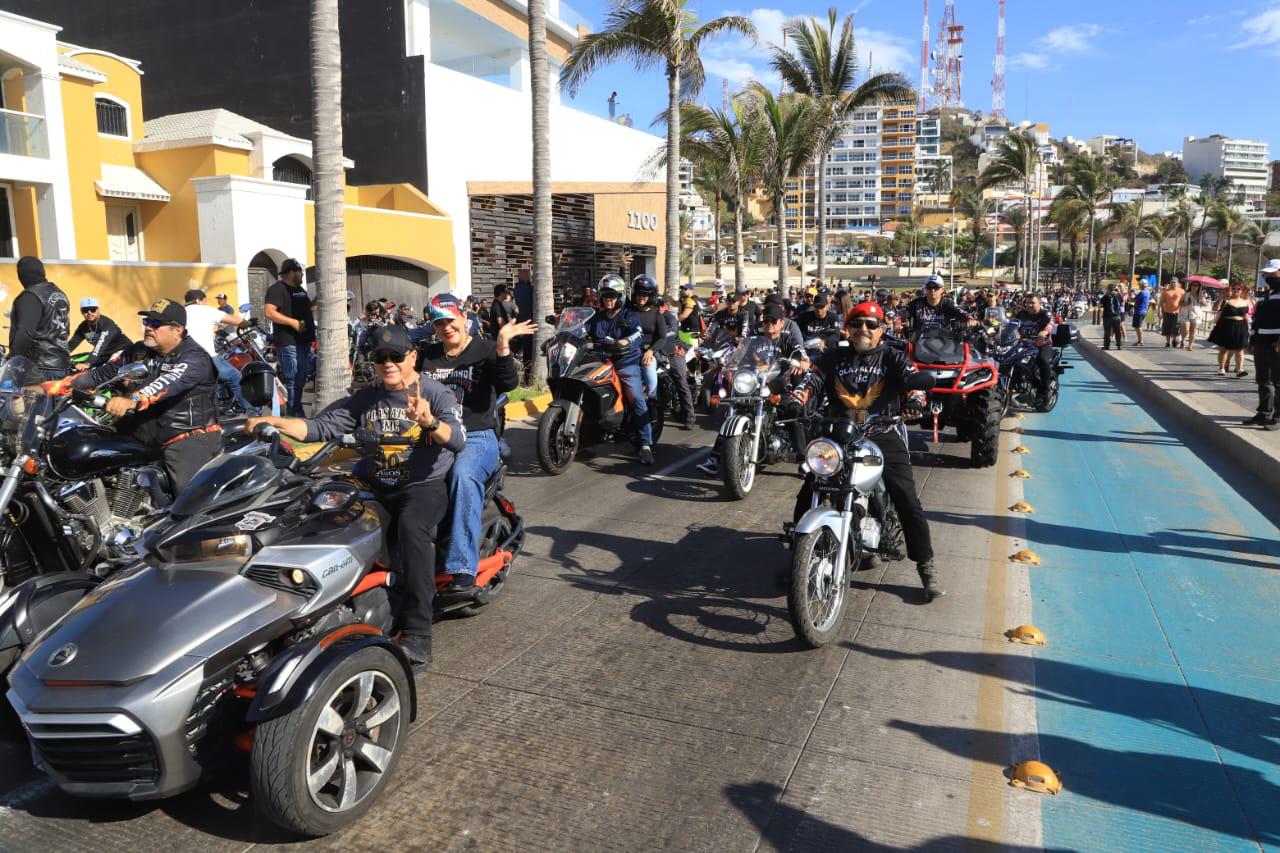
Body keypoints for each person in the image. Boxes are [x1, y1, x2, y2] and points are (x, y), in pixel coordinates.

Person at [249, 323, 463, 666]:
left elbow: (458, 439)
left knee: (411, 529)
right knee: (327, 518)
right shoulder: (366, 397)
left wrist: (430, 423)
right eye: (381, 357)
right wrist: (273, 422)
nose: (389, 363)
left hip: (421, 486)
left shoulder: (434, 394)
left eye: (396, 356)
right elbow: (320, 427)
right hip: (375, 485)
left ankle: (419, 633)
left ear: (412, 357)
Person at [792, 301, 943, 601]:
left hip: (881, 433)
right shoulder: (832, 357)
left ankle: (926, 567)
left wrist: (915, 401)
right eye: (858, 324)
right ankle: (797, 557)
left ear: (881, 331)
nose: (864, 329)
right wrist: (795, 399)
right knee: (811, 487)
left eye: (871, 325)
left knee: (907, 498)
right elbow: (811, 380)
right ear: (847, 329)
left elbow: (913, 382)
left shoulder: (893, 357)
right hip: (838, 434)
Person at [418, 292, 533, 590]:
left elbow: (508, 383)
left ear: (464, 319)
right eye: (439, 322)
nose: (446, 327)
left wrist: (503, 345)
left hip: (477, 436)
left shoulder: (485, 349)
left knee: (463, 475)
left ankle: (462, 566)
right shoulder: (427, 355)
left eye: (450, 320)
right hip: (434, 435)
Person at [63, 299, 220, 491]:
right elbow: (103, 373)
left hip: (184, 436)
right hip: (139, 434)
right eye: (147, 322)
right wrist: (64, 385)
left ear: (177, 329)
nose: (148, 328)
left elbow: (166, 383)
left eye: (155, 324)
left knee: (188, 502)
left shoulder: (194, 357)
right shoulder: (138, 351)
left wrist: (132, 400)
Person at [695, 302, 808, 476]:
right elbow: (737, 354)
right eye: (766, 320)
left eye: (773, 320)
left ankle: (803, 459)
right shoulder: (754, 340)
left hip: (779, 385)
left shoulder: (789, 340)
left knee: (793, 411)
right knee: (733, 413)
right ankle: (715, 458)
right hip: (754, 384)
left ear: (781, 323)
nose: (769, 324)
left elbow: (802, 356)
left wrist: (800, 362)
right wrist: (725, 364)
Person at [585, 275, 654, 464]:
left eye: (613, 295)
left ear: (620, 297)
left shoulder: (628, 315)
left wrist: (625, 341)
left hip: (625, 363)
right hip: (600, 363)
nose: (609, 299)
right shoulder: (596, 318)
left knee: (636, 398)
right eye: (606, 295)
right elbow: (582, 330)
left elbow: (638, 333)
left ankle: (645, 444)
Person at [182, 288, 255, 413]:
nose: (206, 303)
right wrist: (248, 323)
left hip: (184, 359)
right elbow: (236, 321)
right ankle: (252, 411)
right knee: (234, 376)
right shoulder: (205, 310)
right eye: (205, 301)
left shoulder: (181, 312)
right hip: (206, 358)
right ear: (198, 300)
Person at [263, 258, 314, 416]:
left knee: (301, 378)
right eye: (301, 272)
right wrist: (292, 322)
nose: (303, 275)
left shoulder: (301, 291)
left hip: (304, 341)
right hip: (289, 342)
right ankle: (294, 413)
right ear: (292, 272)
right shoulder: (278, 289)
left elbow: (307, 311)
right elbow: (269, 312)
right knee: (293, 380)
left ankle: (296, 410)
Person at [9, 256, 71, 380]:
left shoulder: (30, 296)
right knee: (57, 400)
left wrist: (13, 361)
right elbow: (65, 330)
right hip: (62, 365)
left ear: (22, 275)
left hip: (38, 367)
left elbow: (25, 334)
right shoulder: (60, 294)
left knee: (25, 399)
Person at [1246, 261, 1280, 430]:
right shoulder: (1265, 295)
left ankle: (1277, 418)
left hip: (1276, 345)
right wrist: (1252, 341)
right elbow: (1256, 320)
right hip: (1261, 343)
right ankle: (1264, 413)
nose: (1269, 277)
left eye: (1273, 274)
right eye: (1267, 274)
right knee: (1263, 380)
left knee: (1278, 381)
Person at [657, 294, 697, 428]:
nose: (658, 308)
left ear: (665, 306)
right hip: (657, 353)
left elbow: (671, 332)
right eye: (655, 305)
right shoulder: (651, 317)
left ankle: (690, 418)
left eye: (660, 305)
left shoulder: (670, 317)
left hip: (674, 351)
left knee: (681, 381)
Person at [1015, 294, 1056, 410]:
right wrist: (995, 326)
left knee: (1042, 360)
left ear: (1039, 303)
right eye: (1027, 302)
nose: (1029, 305)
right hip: (1024, 344)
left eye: (1032, 302)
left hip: (1042, 345)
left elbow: (1050, 323)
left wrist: (1045, 331)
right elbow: (1010, 323)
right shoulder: (1021, 314)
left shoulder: (1045, 314)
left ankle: (1044, 392)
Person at [68, 297, 133, 367]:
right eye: (85, 310)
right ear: (81, 311)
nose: (89, 312)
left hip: (123, 352)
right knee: (73, 360)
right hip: (105, 354)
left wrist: (87, 363)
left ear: (98, 310)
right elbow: (72, 344)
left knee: (105, 369)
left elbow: (100, 345)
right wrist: (59, 355)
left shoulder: (107, 324)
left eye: (93, 309)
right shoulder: (83, 326)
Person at [1209, 282, 1252, 377]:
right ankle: (1221, 368)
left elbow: (1245, 316)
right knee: (1223, 349)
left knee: (1239, 349)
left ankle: (1240, 369)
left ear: (1241, 291)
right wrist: (1220, 299)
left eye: (1238, 289)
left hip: (1240, 326)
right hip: (1226, 326)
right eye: (1234, 288)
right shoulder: (1227, 301)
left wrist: (1248, 328)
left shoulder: (1245, 302)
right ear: (1231, 290)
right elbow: (1215, 308)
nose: (1236, 290)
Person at [905, 275, 973, 334]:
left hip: (945, 343)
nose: (933, 290)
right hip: (919, 343)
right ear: (925, 289)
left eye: (936, 287)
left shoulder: (948, 303)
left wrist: (970, 320)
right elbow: (902, 314)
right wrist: (898, 324)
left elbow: (962, 312)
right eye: (929, 287)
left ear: (942, 290)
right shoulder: (916, 303)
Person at [1159, 276, 1184, 347]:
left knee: (1175, 327)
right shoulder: (1165, 291)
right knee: (1167, 327)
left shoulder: (1181, 291)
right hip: (1166, 312)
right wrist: (1159, 311)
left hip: (1177, 312)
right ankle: (1168, 342)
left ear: (1177, 283)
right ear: (1170, 283)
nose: (1173, 283)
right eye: (1172, 282)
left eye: (1174, 282)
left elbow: (1184, 301)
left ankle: (1174, 339)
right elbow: (1161, 302)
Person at [1101, 283, 1125, 350]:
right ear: (1115, 288)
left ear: (1108, 289)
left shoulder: (1106, 296)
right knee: (1118, 332)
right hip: (1117, 316)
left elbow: (1100, 305)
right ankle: (1119, 345)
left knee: (1107, 332)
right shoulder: (1118, 295)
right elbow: (1122, 304)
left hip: (1107, 317)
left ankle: (1107, 346)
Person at [1131, 280, 1151, 346]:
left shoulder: (1142, 293)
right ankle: (1139, 340)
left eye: (1140, 284)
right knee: (1137, 326)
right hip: (1143, 311)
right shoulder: (1147, 292)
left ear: (1143, 285)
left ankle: (1141, 341)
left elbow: (1133, 300)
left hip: (1139, 311)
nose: (1139, 285)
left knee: (1138, 327)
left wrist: (1131, 294)